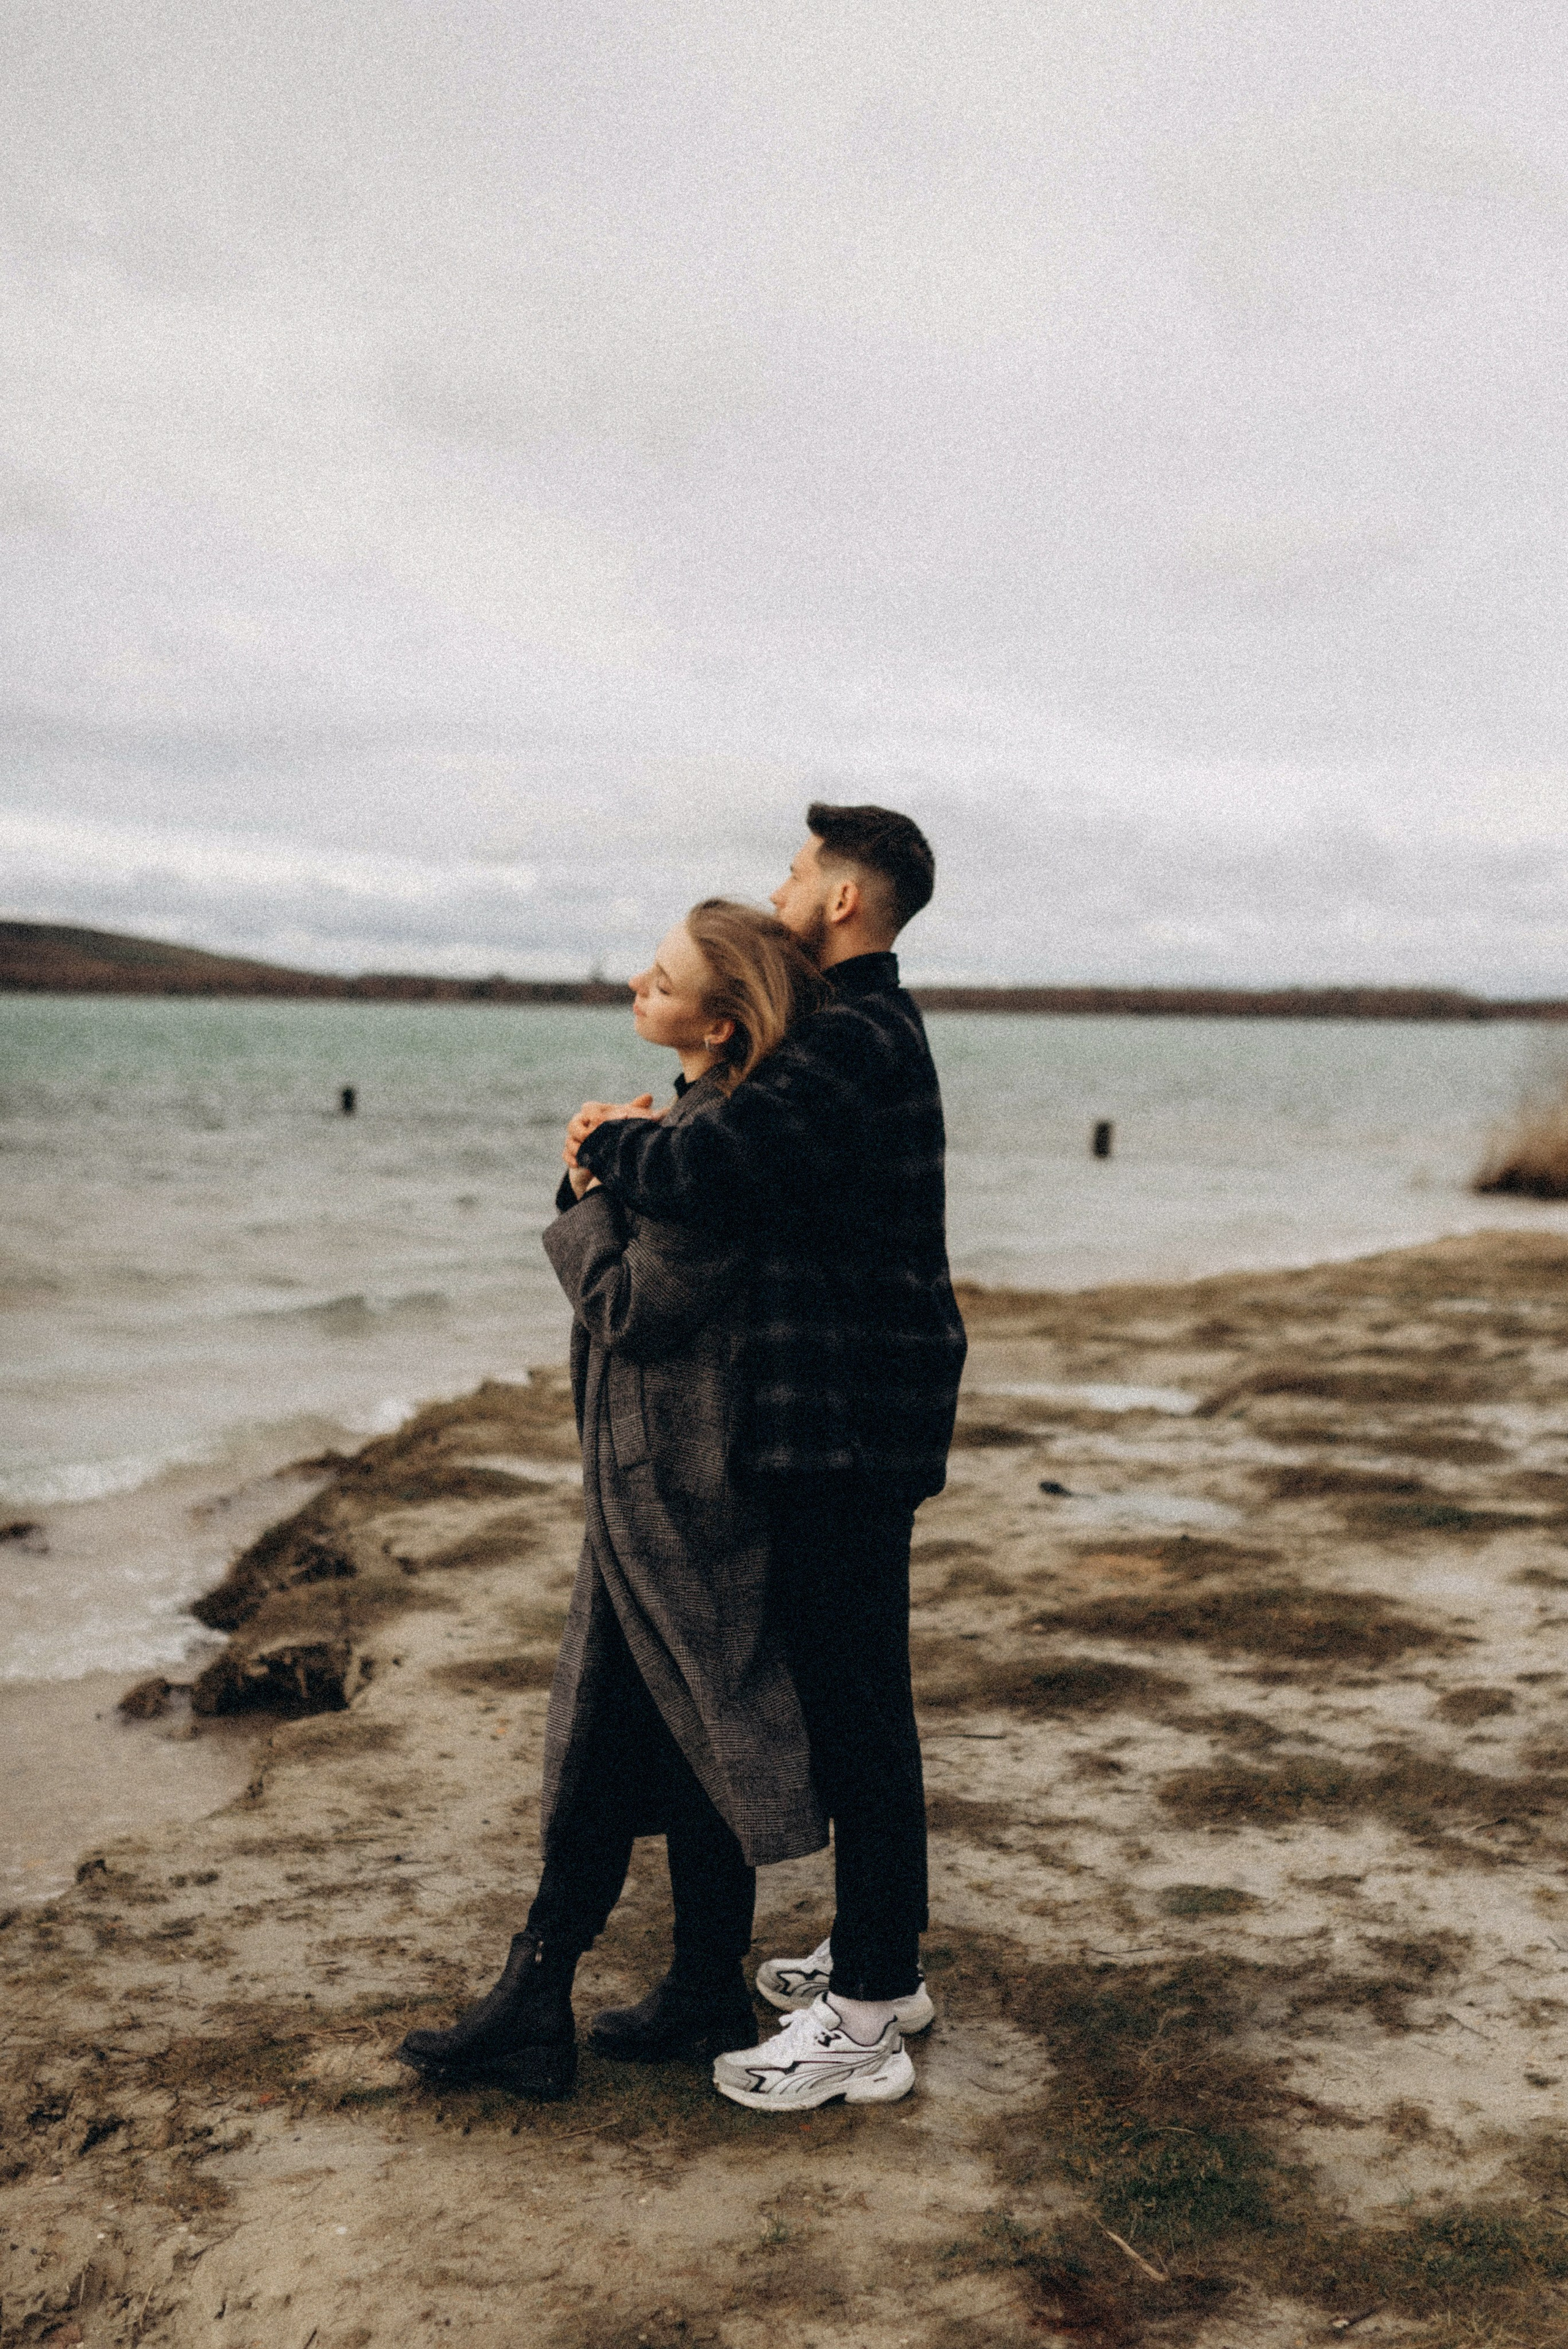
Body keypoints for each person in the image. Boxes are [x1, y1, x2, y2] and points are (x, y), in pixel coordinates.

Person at [394, 902, 846, 2103]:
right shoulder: (694, 1126)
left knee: (621, 1737)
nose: (635, 988)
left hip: (677, 1491)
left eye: (660, 979)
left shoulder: (714, 1145)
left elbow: (635, 1309)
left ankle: (541, 1994)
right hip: (663, 1483)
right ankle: (684, 1984)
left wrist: (587, 1179)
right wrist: (593, 1168)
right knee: (676, 1736)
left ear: (721, 1016)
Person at [567, 804, 967, 2113]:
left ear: (843, 899)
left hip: (844, 1427)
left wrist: (597, 1151)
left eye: (799, 870)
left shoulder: (851, 1037)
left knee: (859, 1717)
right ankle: (879, 1968)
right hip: (853, 1418)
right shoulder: (860, 1034)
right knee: (864, 1705)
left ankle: (861, 2021)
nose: (782, 883)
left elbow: (718, 1159)